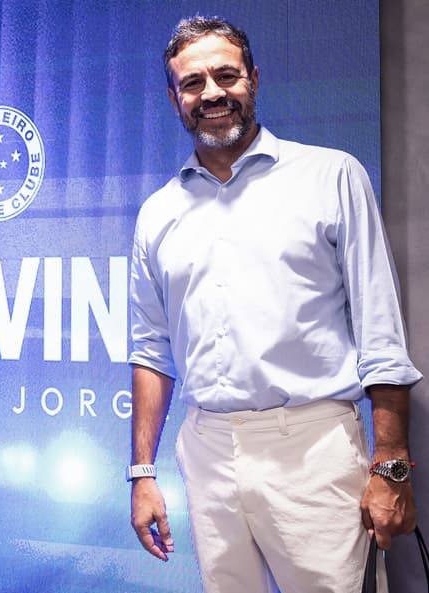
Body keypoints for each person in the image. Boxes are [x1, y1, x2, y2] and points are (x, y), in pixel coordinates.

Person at [127, 15, 421, 593]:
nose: (211, 93)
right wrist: (142, 473)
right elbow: (150, 351)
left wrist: (390, 467)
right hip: (206, 448)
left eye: (225, 76)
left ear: (253, 80)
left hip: (313, 452)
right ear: (174, 98)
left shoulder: (331, 175)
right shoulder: (157, 213)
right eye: (192, 84)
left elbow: (381, 335)